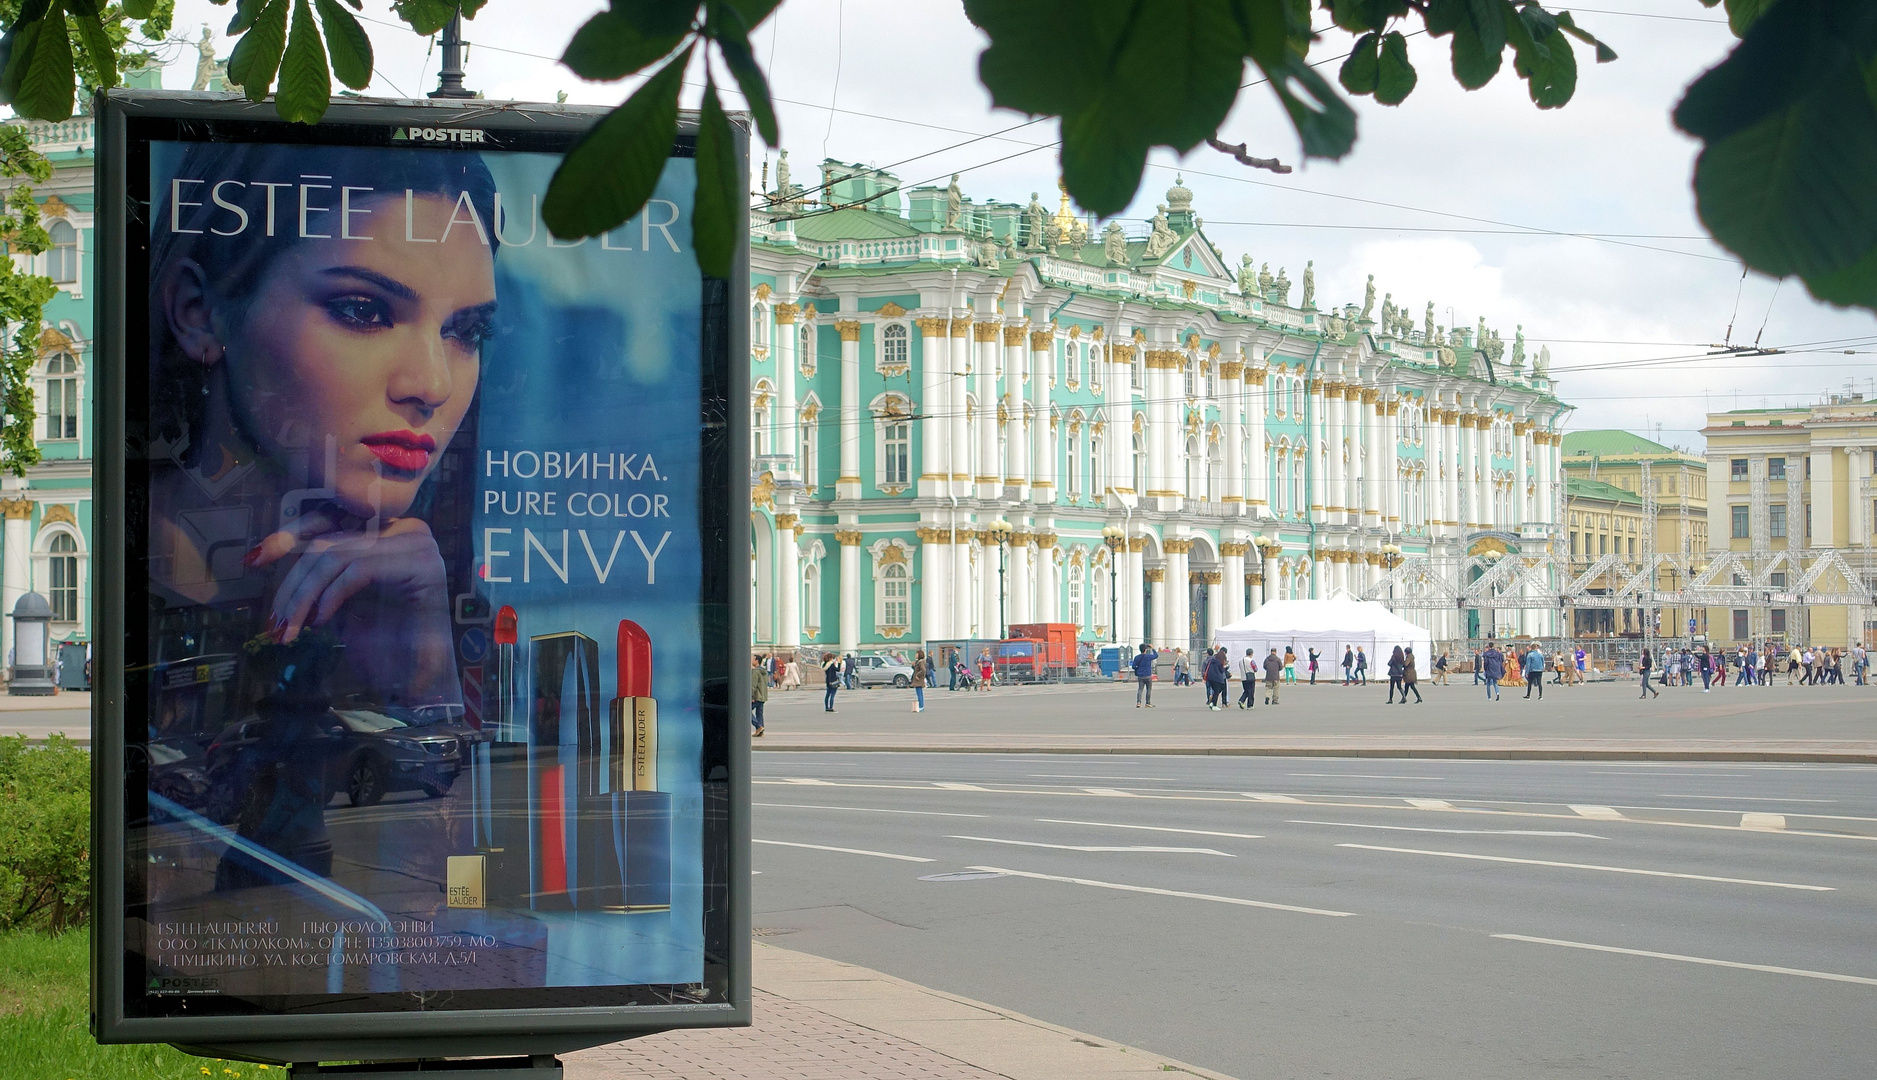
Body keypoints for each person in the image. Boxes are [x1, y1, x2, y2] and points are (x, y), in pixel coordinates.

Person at [150, 141, 502, 712]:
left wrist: (427, 674)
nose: (432, 385)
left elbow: (438, 804)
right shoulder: (116, 571)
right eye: (363, 311)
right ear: (199, 312)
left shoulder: (423, 587)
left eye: (466, 331)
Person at [1132, 642, 1158, 708]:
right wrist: (1152, 648)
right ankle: (1147, 703)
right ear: (1146, 650)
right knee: (1148, 689)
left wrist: (1138, 668)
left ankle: (1138, 702)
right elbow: (1156, 655)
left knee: (1140, 689)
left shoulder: (1137, 657)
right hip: (1148, 675)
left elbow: (1133, 666)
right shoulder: (1148, 656)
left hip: (1140, 676)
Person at [751, 654, 769, 735]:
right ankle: (760, 731)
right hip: (763, 695)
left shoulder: (755, 671)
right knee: (759, 713)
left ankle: (758, 726)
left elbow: (753, 685)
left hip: (757, 695)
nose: (751, 661)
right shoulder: (764, 671)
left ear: (757, 661)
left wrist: (751, 696)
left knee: (746, 710)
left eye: (753, 659)